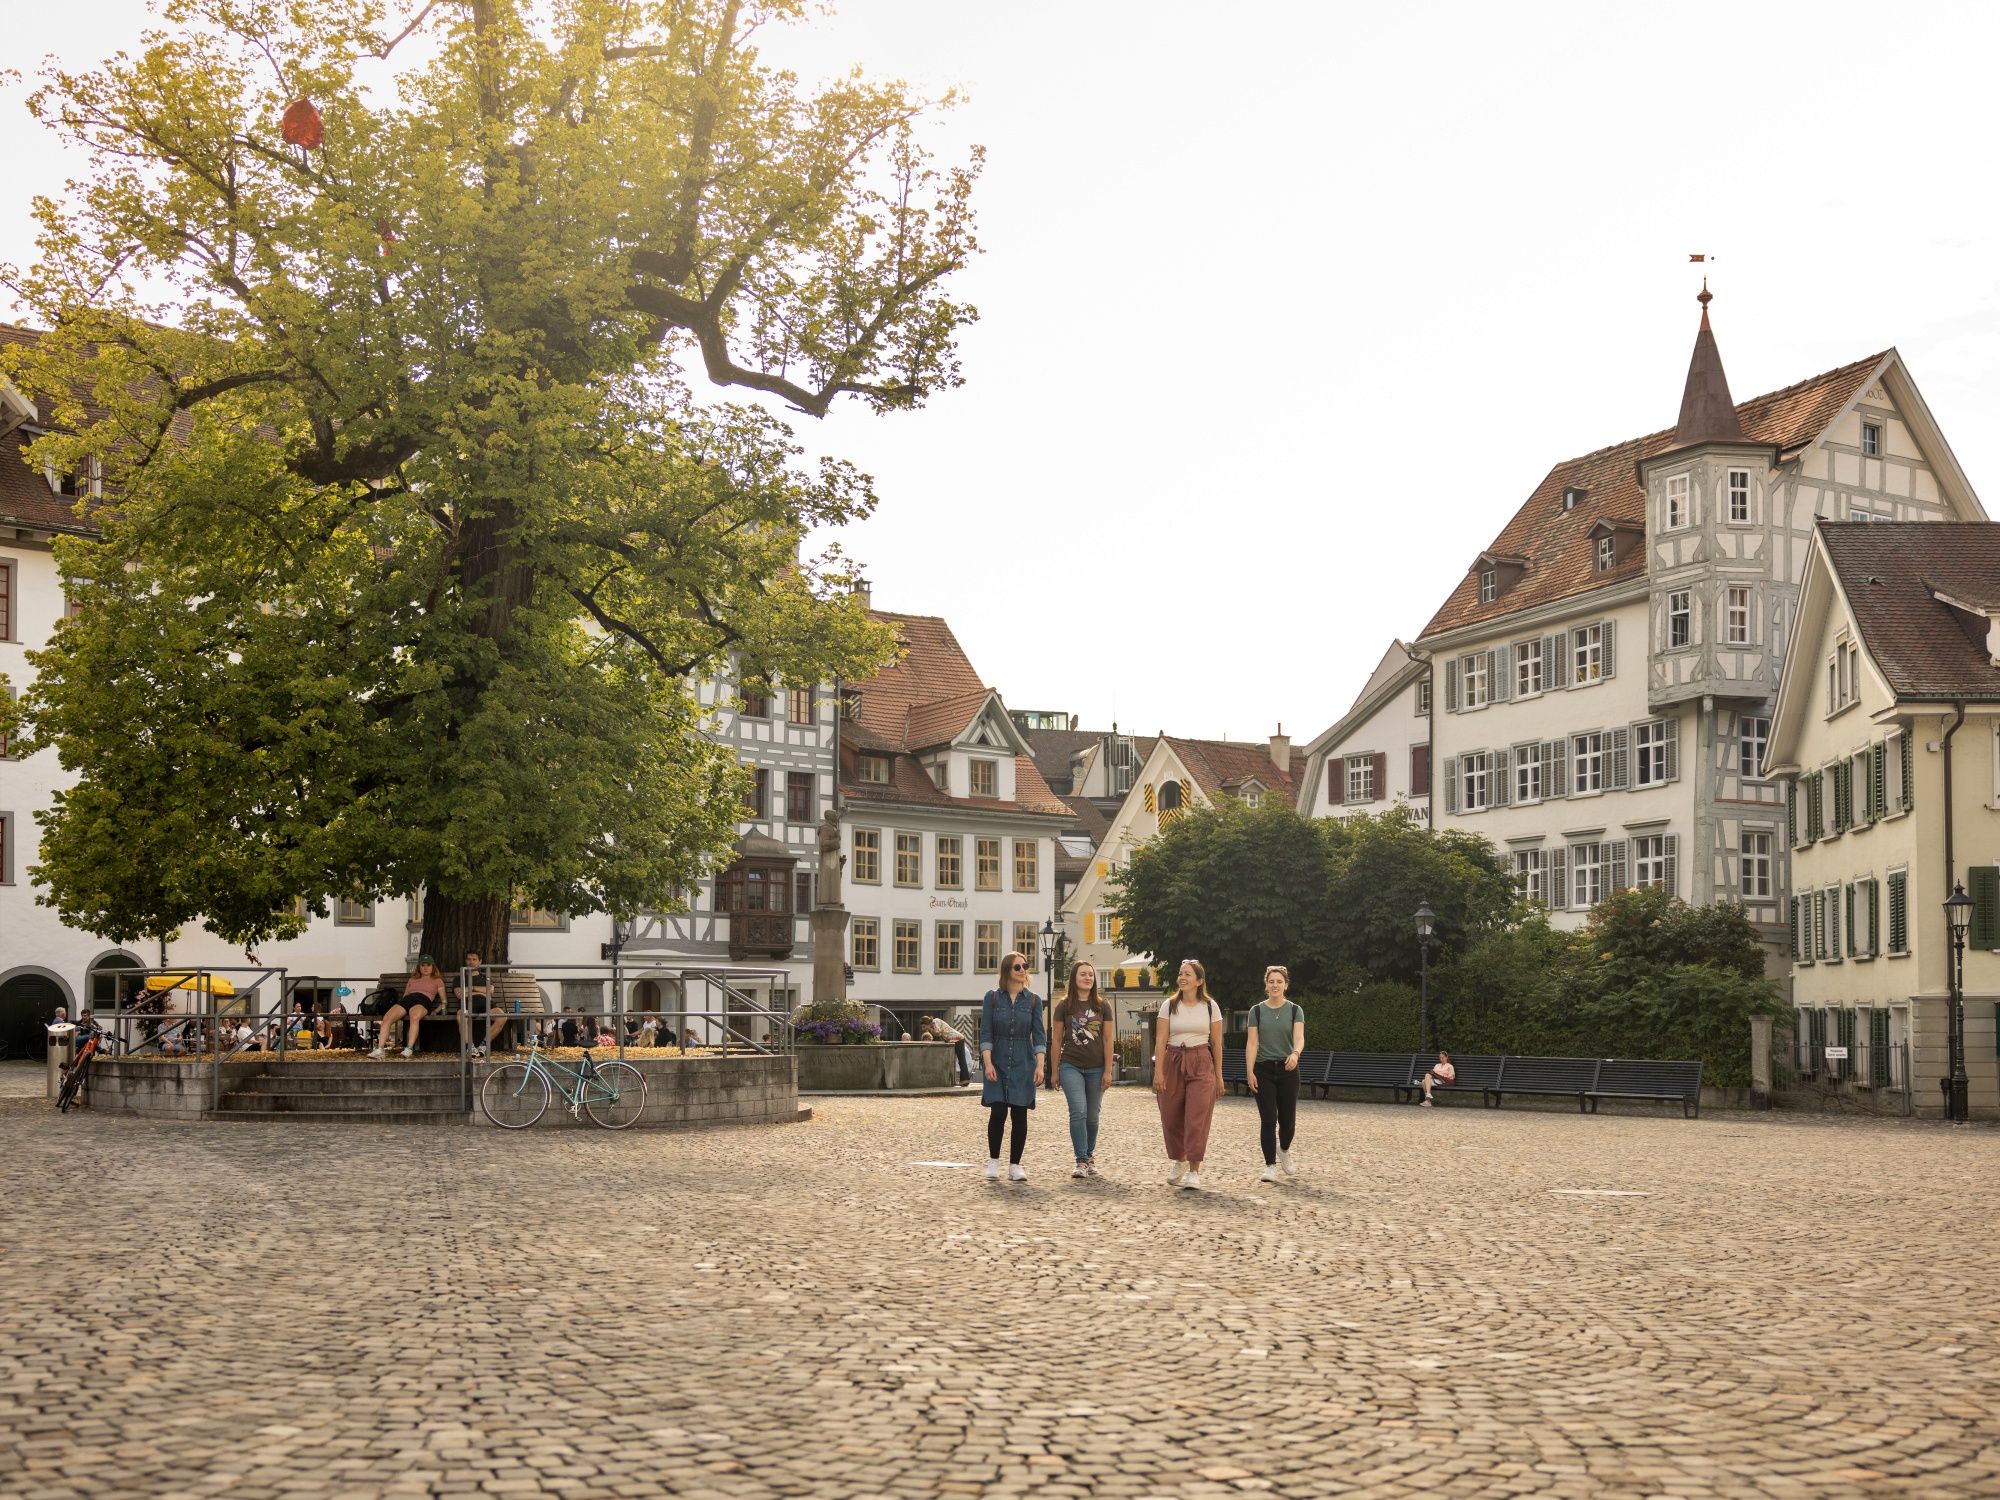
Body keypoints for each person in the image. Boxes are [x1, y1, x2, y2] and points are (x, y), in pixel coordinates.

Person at [1153, 958, 1224, 1191]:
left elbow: (1216, 1043)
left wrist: (1219, 1076)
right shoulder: (1169, 1005)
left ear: (1199, 981)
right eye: (1181, 973)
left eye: (1188, 974)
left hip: (1201, 1061)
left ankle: (1194, 1169)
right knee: (1170, 1115)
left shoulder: (1211, 1007)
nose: (1182, 978)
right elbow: (1160, 1039)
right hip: (1173, 1060)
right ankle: (1179, 1159)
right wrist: (1158, 1073)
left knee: (1197, 1117)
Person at [979, 952, 1046, 1182]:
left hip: (1023, 1062)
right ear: (1007, 970)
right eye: (1017, 967)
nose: (1022, 970)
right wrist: (988, 1063)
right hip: (997, 1060)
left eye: (1025, 966)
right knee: (998, 1112)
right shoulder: (993, 998)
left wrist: (1040, 1065)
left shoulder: (1034, 1000)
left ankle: (1015, 1165)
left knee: (1020, 1113)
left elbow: (1039, 1036)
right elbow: (986, 1032)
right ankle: (993, 1162)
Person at [1051, 963, 1115, 1179]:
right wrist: (1054, 1071)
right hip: (1071, 1065)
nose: (1087, 977)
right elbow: (1057, 1040)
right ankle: (1080, 1160)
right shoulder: (1064, 1006)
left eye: (1090, 974)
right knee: (1078, 1110)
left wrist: (1108, 1070)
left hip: (1097, 1068)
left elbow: (1107, 1039)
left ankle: (1089, 1156)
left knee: (1092, 1116)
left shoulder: (1102, 1005)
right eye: (1083, 974)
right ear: (1074, 978)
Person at [1246, 965, 1306, 1182]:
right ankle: (1270, 1165)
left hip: (1288, 1069)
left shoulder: (1294, 1010)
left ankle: (1284, 1149)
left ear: (1286, 985)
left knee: (1288, 1121)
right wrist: (1250, 1071)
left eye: (1279, 981)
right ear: (1266, 984)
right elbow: (1252, 1043)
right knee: (1269, 1119)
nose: (1275, 985)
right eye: (1271, 981)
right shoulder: (1257, 1011)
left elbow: (1299, 1037)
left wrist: (1295, 1054)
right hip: (1263, 1069)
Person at [371, 956, 444, 1059]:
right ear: (419, 967)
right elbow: (406, 995)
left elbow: (444, 1001)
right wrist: (402, 1007)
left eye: (428, 965)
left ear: (433, 967)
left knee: (414, 1016)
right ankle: (380, 1049)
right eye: (423, 965)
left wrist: (436, 1011)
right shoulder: (412, 979)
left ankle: (409, 1048)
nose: (425, 968)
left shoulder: (437, 980)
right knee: (387, 1017)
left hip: (423, 1001)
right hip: (407, 1000)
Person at [456, 951, 499, 1058]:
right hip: (468, 1004)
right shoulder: (460, 977)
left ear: (480, 962)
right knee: (461, 1015)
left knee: (502, 1017)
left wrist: (472, 988)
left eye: (474, 959)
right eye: (469, 959)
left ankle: (483, 1045)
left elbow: (490, 991)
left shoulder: (485, 977)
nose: (471, 962)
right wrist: (481, 992)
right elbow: (459, 994)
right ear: (465, 961)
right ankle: (469, 1047)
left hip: (487, 1004)